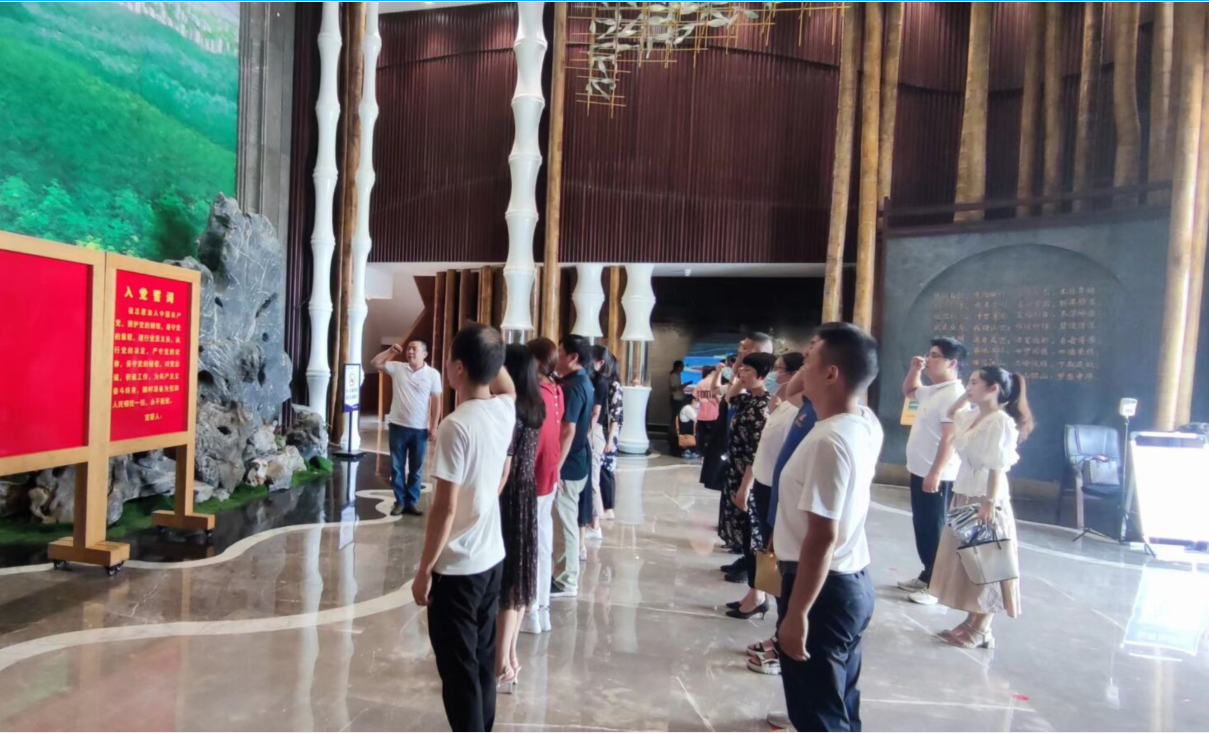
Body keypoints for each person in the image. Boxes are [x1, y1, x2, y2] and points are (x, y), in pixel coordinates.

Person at [775, 323, 883, 732]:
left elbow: (822, 535)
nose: (800, 369)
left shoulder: (829, 441)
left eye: (808, 360)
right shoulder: (863, 421)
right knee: (838, 703)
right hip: (849, 581)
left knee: (818, 715)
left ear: (831, 373)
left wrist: (797, 612)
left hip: (822, 590)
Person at [411, 323, 516, 733]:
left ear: (457, 368)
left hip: (457, 570)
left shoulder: (456, 425)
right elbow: (505, 384)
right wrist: (491, 351)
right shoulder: (504, 409)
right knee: (482, 660)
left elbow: (445, 507)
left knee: (459, 674)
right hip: (492, 560)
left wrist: (424, 570)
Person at [929, 366, 1033, 650]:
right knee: (969, 562)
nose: (969, 387)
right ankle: (971, 621)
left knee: (988, 563)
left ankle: (983, 628)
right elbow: (952, 412)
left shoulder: (999, 421)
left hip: (985, 498)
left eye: (975, 383)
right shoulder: (973, 415)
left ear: (993, 388)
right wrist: (967, 394)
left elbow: (997, 466)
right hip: (966, 492)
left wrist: (988, 503)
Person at [727, 352, 804, 622]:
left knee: (763, 545)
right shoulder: (780, 404)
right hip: (760, 482)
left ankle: (759, 596)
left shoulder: (798, 411)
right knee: (755, 543)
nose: (774, 375)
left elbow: (758, 450)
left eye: (778, 369)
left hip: (768, 485)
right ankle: (755, 593)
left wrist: (745, 486)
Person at [898, 337, 967, 606]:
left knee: (934, 528)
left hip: (937, 474)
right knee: (923, 525)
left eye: (935, 356)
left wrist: (935, 472)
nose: (929, 359)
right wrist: (914, 369)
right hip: (920, 469)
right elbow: (910, 391)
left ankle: (937, 587)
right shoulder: (933, 390)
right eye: (930, 354)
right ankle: (928, 574)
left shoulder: (954, 395)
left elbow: (950, 438)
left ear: (952, 363)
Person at [495, 344, 544, 693]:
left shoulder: (509, 409)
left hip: (509, 495)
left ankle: (501, 664)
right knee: (522, 576)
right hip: (527, 492)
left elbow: (504, 464)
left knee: (509, 582)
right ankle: (511, 656)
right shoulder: (536, 405)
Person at [719, 352, 776, 587]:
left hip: (747, 474)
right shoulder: (749, 399)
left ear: (763, 375)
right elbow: (729, 398)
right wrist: (739, 378)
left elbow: (756, 452)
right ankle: (745, 563)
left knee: (749, 527)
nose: (742, 373)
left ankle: (753, 580)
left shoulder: (762, 408)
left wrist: (745, 486)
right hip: (735, 469)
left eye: (748, 370)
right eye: (742, 369)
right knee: (740, 525)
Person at [371, 338, 443, 516]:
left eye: (414, 349)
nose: (410, 352)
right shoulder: (397, 368)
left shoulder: (433, 374)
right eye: (409, 349)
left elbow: (436, 402)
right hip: (397, 426)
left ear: (424, 354)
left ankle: (412, 502)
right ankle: (400, 501)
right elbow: (375, 363)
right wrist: (390, 352)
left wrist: (434, 426)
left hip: (420, 429)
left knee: (416, 469)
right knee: (397, 467)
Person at [522, 337, 563, 635]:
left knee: (531, 545)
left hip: (535, 478)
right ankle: (541, 608)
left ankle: (531, 610)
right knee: (543, 542)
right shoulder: (555, 390)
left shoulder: (536, 393)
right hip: (548, 475)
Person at [551, 334, 594, 599]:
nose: (556, 358)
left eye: (560, 353)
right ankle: (562, 573)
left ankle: (567, 580)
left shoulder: (574, 386)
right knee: (564, 519)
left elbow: (568, 429)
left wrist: (556, 465)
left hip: (569, 464)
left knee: (565, 521)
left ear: (573, 357)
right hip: (577, 459)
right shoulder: (582, 381)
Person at [594, 344, 623, 520]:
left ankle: (609, 507)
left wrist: (611, 439)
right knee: (601, 468)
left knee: (606, 469)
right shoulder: (602, 383)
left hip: (608, 431)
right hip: (604, 430)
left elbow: (615, 415)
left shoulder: (614, 385)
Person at [669, 359, 687, 456]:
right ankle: (672, 437)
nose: (683, 368)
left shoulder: (678, 375)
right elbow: (674, 388)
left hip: (679, 398)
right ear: (678, 367)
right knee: (675, 418)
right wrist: (684, 385)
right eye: (682, 366)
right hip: (676, 399)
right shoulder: (673, 376)